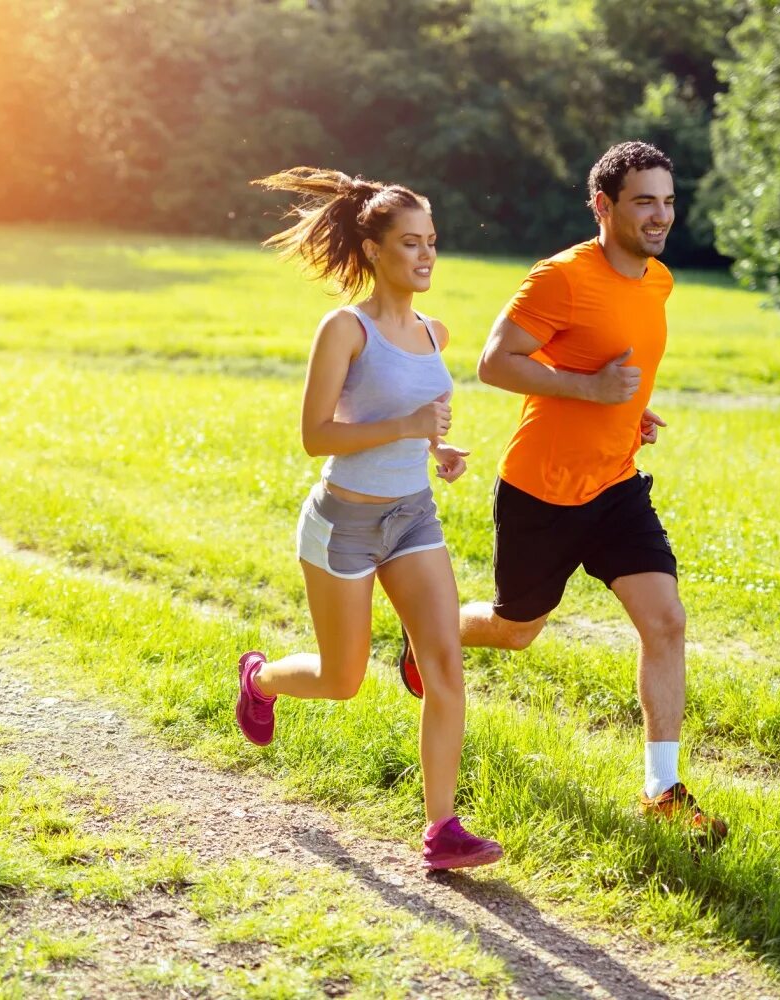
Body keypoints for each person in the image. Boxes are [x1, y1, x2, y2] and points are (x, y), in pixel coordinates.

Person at [396, 141, 727, 842]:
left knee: (665, 621)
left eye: (668, 200)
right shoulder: (561, 277)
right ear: (603, 206)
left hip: (614, 486)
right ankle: (427, 635)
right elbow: (494, 363)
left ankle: (661, 789)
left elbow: (609, 366)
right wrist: (591, 391)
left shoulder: (659, 282)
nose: (660, 215)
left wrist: (626, 413)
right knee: (517, 631)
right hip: (540, 490)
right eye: (644, 201)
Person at [235, 167, 503, 871]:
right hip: (343, 523)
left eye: (433, 242)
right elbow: (317, 436)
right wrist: (406, 426)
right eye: (410, 242)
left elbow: (424, 417)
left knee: (445, 665)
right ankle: (259, 680)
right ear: (375, 250)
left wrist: (439, 449)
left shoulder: (433, 333)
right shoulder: (344, 329)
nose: (426, 256)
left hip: (413, 518)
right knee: (341, 678)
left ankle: (442, 828)